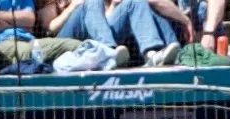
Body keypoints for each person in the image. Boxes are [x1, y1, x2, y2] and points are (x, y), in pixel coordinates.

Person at [36, 0, 187, 68]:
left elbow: (100, 21)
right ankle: (108, 54)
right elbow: (50, 27)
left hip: (93, 39)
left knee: (135, 2)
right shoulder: (50, 2)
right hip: (63, 42)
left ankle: (151, 54)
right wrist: (73, 6)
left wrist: (114, 6)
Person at [0, 0, 80, 66]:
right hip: (5, 45)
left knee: (72, 45)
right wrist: (16, 21)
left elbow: (29, 19)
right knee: (70, 46)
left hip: (29, 40)